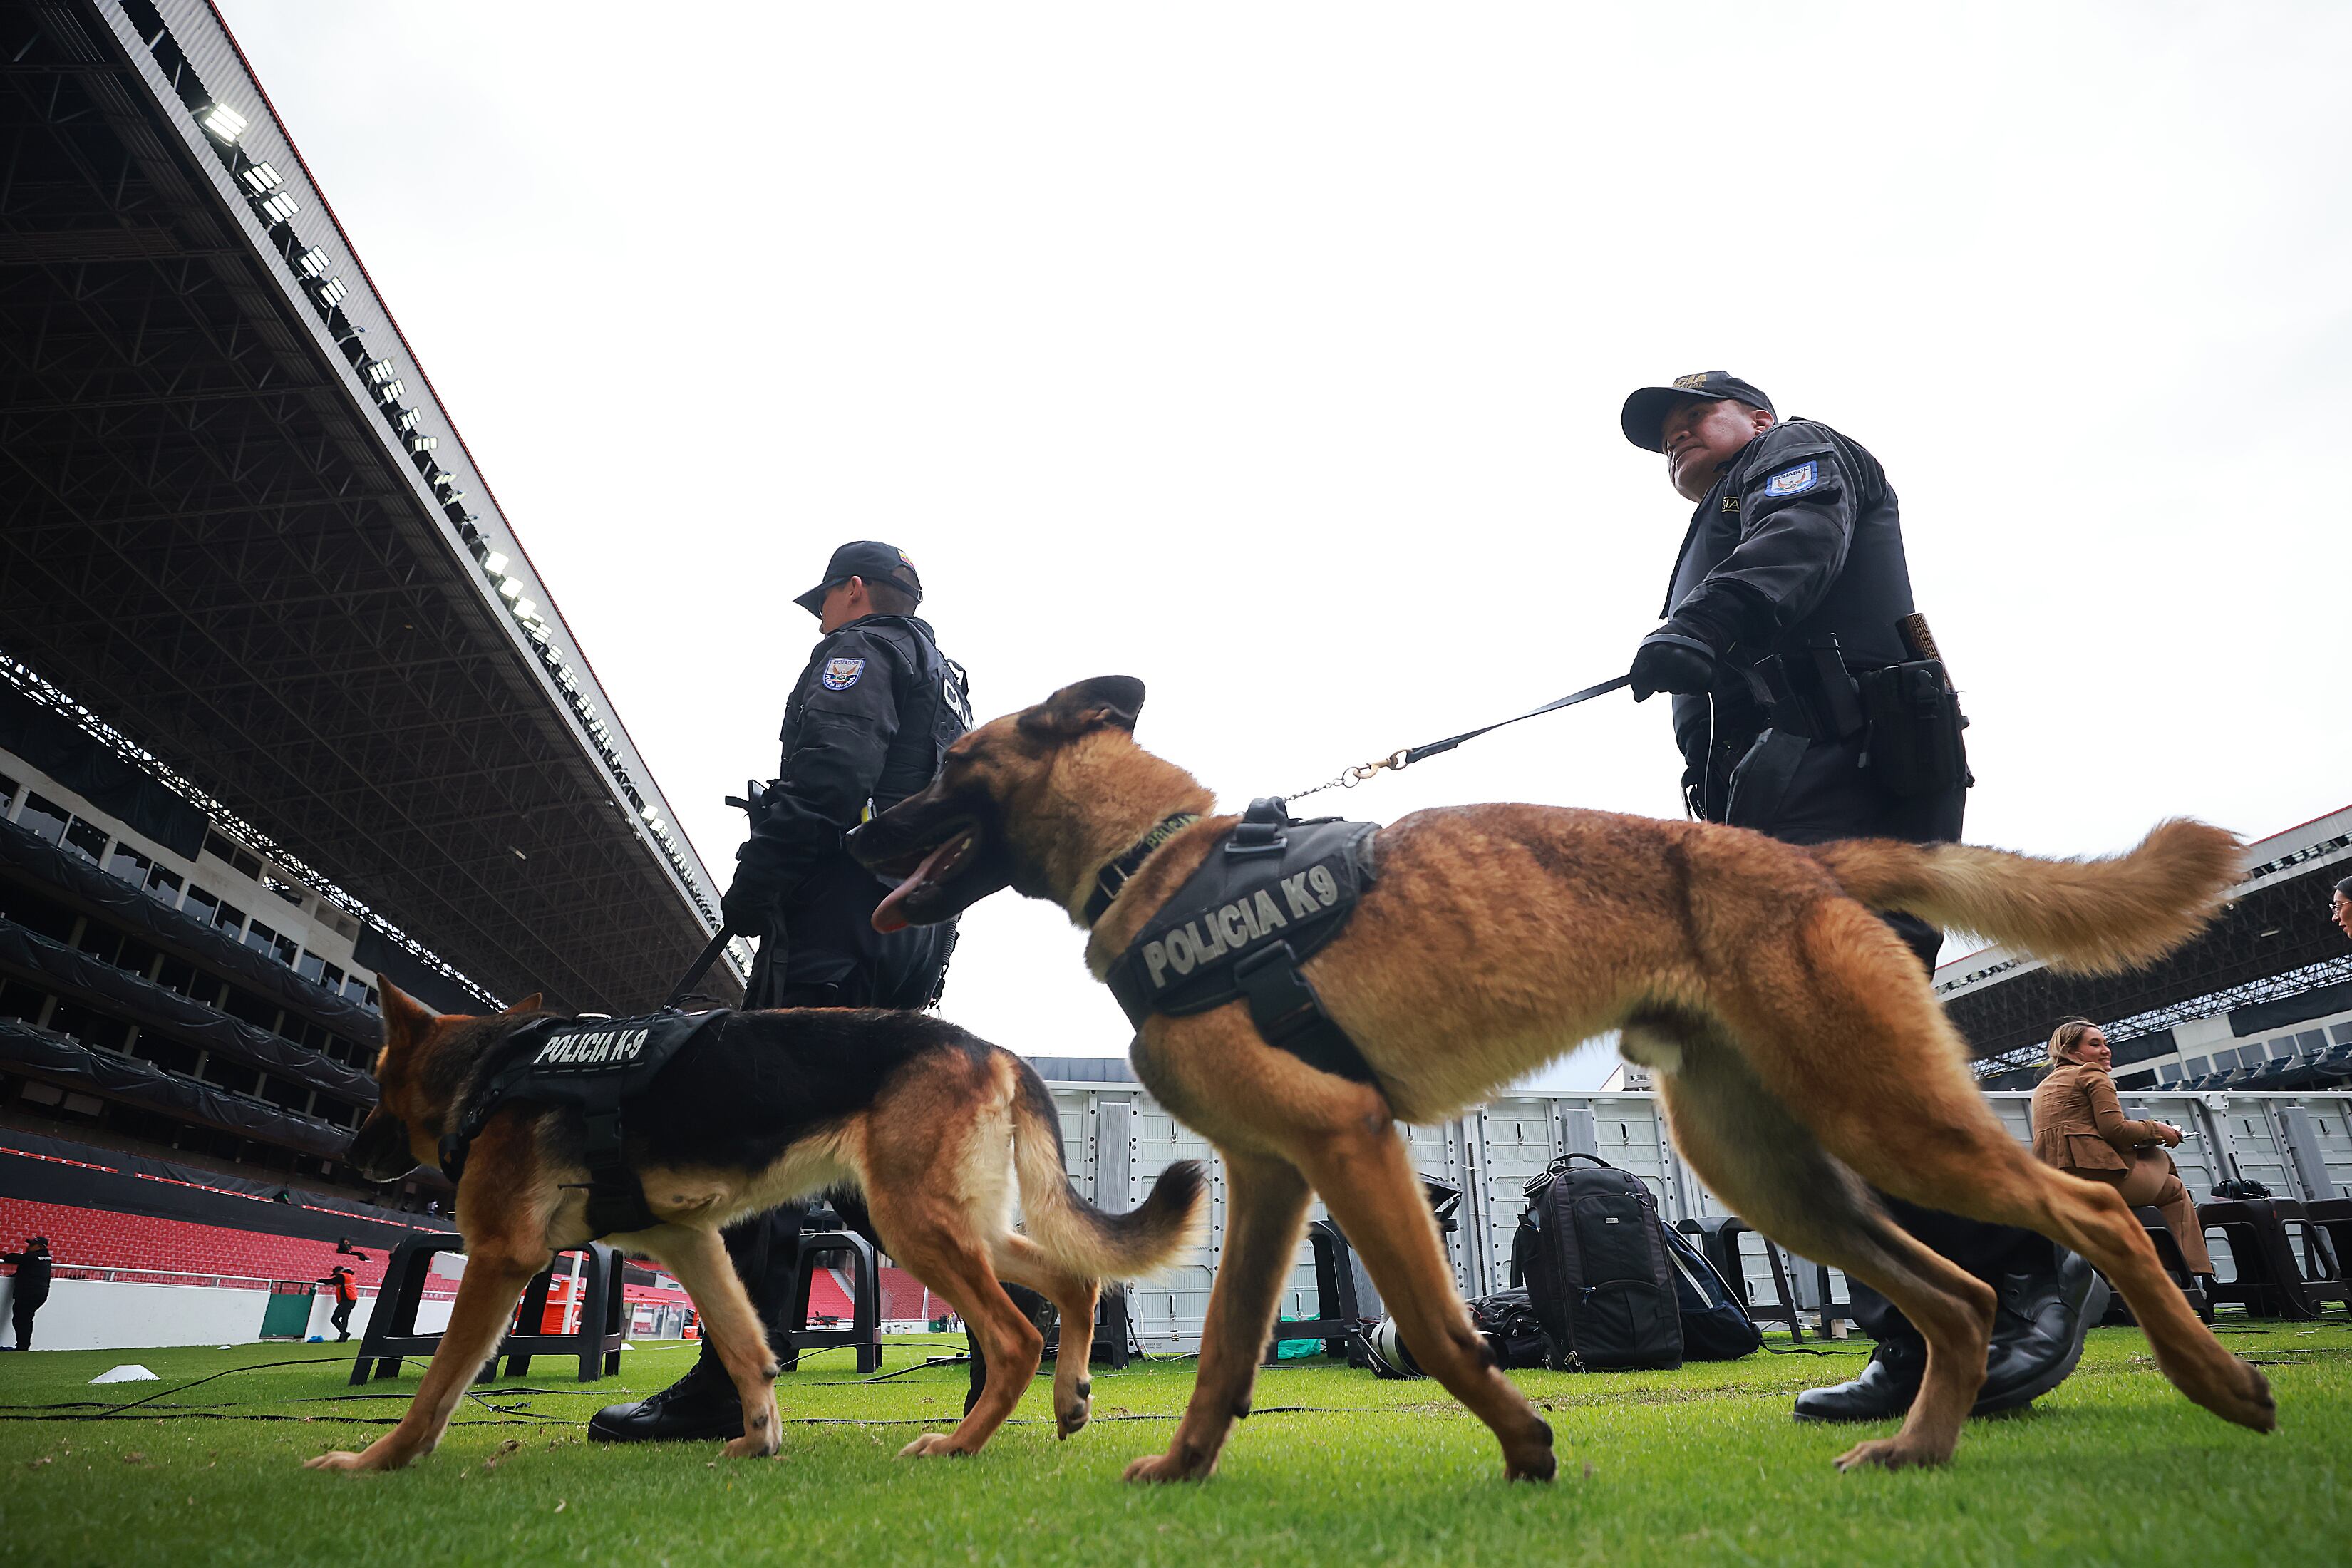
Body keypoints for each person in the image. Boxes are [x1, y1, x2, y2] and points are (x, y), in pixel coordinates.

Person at [1619, 371, 2109, 1423]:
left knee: (1840, 1041)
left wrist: (1705, 624)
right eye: (1662, 440)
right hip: (1781, 821)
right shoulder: (1724, 514)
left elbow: (1795, 547)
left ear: (1753, 416)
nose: (1676, 443)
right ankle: (1919, 1326)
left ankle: (2027, 1265)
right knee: (1799, 1067)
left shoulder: (1794, 458)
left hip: (1856, 790)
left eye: (1689, 420)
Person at [592, 541, 986, 1443]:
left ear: (854, 591)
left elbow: (831, 778)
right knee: (853, 1154)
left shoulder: (860, 654)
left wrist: (759, 876)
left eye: (826, 602)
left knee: (758, 1136)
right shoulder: (950, 679)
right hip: (907, 927)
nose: (820, 620)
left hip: (834, 920)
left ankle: (735, 1379)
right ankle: (1009, 1295)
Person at [2031, 1020, 2216, 1284]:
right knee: (2171, 1182)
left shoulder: (2044, 1087)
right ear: (2072, 1052)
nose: (2106, 1050)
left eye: (2106, 1043)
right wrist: (2159, 1130)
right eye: (2095, 1044)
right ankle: (2183, 1272)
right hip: (2098, 1180)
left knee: (2167, 1181)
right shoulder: (2091, 1073)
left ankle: (2164, 1270)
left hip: (2057, 1184)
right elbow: (2115, 1129)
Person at [3, 1235, 52, 1350]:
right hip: (39, 1293)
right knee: (25, 1319)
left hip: (28, 1293)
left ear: (40, 1247)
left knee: (21, 1320)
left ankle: (22, 1347)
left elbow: (11, 1258)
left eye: (31, 1245)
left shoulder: (33, 1257)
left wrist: (5, 1255)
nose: (28, 1247)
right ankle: (23, 1346)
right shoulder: (45, 1257)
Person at [317, 1264, 360, 1341]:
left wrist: (321, 1280)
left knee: (335, 1319)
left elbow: (332, 1281)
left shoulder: (342, 1276)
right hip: (352, 1299)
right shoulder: (349, 1276)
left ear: (338, 1272)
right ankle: (342, 1337)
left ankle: (344, 1333)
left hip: (346, 1300)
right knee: (345, 1318)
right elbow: (336, 1282)